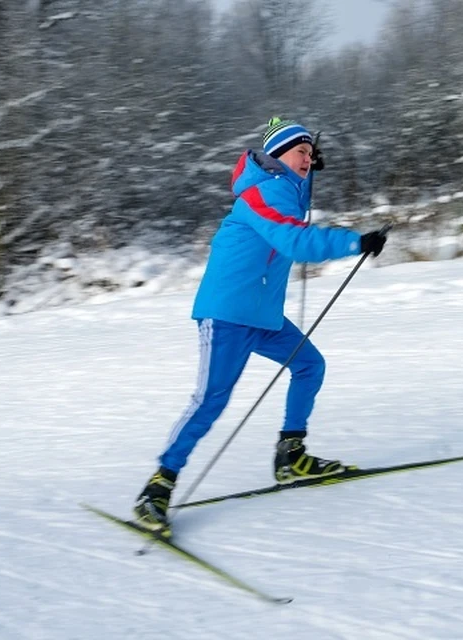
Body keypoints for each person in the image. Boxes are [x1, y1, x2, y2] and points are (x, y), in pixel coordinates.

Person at [133, 117, 388, 533]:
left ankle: (291, 455)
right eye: (300, 152)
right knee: (210, 400)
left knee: (309, 365)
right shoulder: (259, 195)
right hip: (228, 314)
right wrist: (354, 241)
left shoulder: (285, 191)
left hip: (263, 317)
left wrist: (305, 179)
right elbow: (294, 241)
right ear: (277, 156)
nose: (308, 158)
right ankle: (158, 486)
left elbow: (293, 215)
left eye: (311, 152)